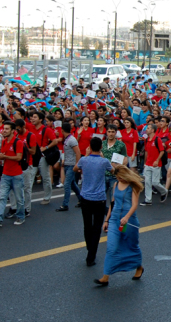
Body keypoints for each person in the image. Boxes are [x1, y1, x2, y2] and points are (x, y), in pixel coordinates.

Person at [95, 166, 144, 286]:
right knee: (112, 247)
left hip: (128, 222)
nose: (119, 179)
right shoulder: (116, 185)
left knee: (130, 245)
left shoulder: (133, 187)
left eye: (120, 177)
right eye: (117, 177)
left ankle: (139, 267)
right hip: (115, 220)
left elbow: (134, 205)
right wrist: (106, 220)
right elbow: (113, 203)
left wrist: (126, 217)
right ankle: (105, 277)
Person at [75, 136, 113, 267]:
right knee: (97, 227)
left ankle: (89, 249)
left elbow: (76, 168)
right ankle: (91, 255)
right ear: (101, 147)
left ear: (90, 147)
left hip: (85, 197)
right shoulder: (104, 162)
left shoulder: (84, 160)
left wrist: (85, 156)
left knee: (87, 225)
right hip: (99, 198)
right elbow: (112, 171)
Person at [0, 121, 26, 227]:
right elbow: (2, 154)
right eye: (4, 128)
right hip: (6, 174)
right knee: (2, 197)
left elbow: (19, 157)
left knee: (19, 198)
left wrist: (5, 157)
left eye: (7, 129)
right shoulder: (4, 142)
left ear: (13, 131)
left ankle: (21, 216)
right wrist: (0, 156)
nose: (4, 130)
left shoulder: (18, 142)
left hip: (16, 174)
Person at [56, 122, 82, 211]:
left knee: (67, 184)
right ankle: (81, 199)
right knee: (72, 184)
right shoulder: (68, 139)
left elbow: (77, 152)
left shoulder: (71, 140)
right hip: (68, 164)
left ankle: (65, 204)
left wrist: (77, 164)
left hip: (71, 165)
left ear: (62, 130)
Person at [140, 123, 167, 206]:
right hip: (148, 163)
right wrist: (145, 162)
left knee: (155, 182)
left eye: (148, 128)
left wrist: (157, 160)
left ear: (152, 130)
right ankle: (148, 200)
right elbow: (146, 152)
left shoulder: (157, 139)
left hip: (156, 164)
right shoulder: (147, 140)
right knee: (147, 182)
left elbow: (162, 151)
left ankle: (164, 191)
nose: (146, 129)